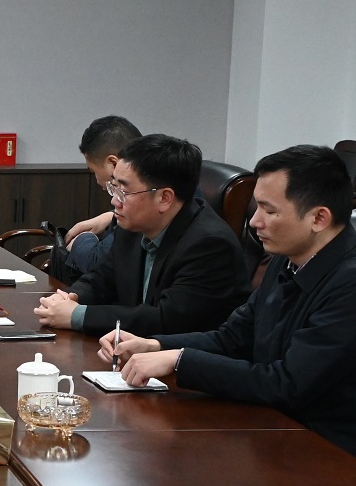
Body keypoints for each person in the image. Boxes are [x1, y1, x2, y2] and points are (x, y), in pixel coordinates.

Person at [102, 144, 356, 468]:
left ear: (319, 218)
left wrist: (180, 361)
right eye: (256, 207)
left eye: (269, 211)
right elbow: (232, 338)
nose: (254, 222)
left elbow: (287, 384)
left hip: (346, 460)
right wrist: (155, 345)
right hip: (280, 433)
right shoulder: (288, 258)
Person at [34, 134, 248, 337]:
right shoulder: (133, 225)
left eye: (124, 192)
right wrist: (70, 298)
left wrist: (77, 315)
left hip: (183, 358)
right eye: (114, 187)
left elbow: (165, 320)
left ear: (164, 198)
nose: (114, 201)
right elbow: (102, 278)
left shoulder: (209, 245)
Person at [56, 115, 142, 278]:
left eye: (93, 171)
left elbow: (99, 262)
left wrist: (82, 239)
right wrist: (109, 216)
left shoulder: (141, 205)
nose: (114, 200)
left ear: (113, 164)